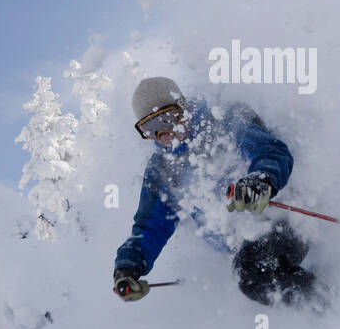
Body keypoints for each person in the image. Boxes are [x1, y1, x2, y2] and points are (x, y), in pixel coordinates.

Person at [113, 76, 326, 311]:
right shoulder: (162, 169)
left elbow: (272, 151)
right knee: (253, 276)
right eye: (149, 129)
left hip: (285, 221)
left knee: (253, 273)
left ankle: (333, 310)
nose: (162, 135)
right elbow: (151, 227)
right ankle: (326, 314)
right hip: (242, 249)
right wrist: (129, 267)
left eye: (165, 119)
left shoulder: (222, 121)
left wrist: (259, 181)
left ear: (181, 107)